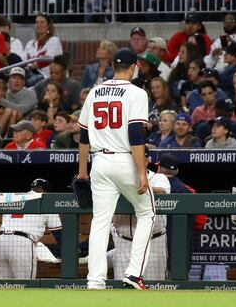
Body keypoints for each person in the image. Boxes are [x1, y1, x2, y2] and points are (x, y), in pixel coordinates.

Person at [76, 48, 155, 290]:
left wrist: (82, 171)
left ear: (113, 65)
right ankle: (133, 273)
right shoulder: (137, 92)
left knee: (100, 221)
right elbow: (135, 134)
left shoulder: (95, 91)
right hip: (125, 160)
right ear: (134, 67)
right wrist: (142, 171)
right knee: (147, 213)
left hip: (99, 162)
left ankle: (95, 280)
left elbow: (83, 135)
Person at [0, 178, 62, 279]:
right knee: (25, 286)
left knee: (5, 287)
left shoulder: (15, 199)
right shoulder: (46, 202)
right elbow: (59, 234)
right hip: (21, 244)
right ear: (46, 191)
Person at [111, 158, 171, 281]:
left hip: (154, 242)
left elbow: (163, 191)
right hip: (124, 242)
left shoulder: (159, 178)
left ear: (146, 161)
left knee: (154, 286)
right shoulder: (116, 178)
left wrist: (131, 189)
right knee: (122, 287)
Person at [24, 14, 63, 82]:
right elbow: (23, 60)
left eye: (42, 22)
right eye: (37, 22)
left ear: (48, 26)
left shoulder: (54, 40)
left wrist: (32, 66)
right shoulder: (30, 43)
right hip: (29, 74)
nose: (39, 25)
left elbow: (48, 58)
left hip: (46, 77)